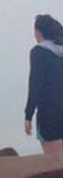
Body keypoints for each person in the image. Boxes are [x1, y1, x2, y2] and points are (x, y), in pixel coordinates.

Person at [26, 14, 63, 159]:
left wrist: (28, 115)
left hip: (50, 114)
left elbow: (36, 85)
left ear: (39, 32)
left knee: (54, 162)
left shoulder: (39, 52)